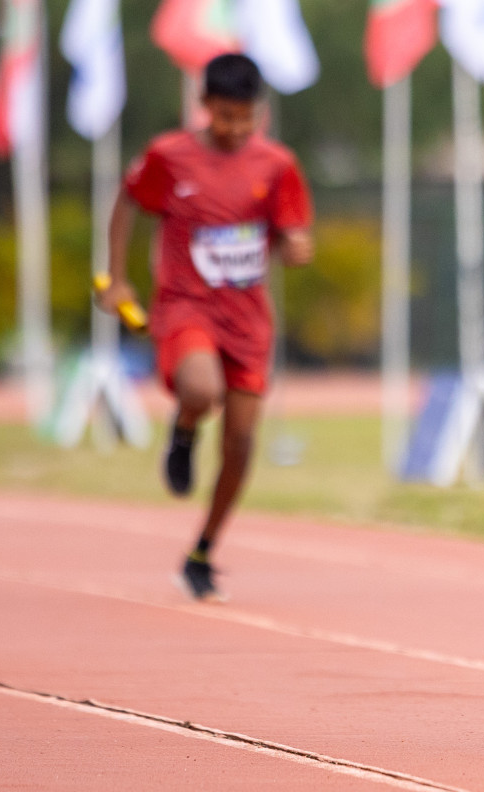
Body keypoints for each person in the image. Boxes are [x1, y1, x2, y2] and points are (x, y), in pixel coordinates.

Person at [96, 53, 314, 602]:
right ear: (204, 106)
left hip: (247, 319)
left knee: (241, 443)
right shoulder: (171, 156)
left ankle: (202, 550)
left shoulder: (276, 163)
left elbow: (292, 233)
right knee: (201, 389)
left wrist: (295, 246)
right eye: (224, 116)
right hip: (185, 305)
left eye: (244, 117)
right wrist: (118, 279)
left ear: (257, 112)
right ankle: (186, 428)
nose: (234, 127)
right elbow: (128, 203)